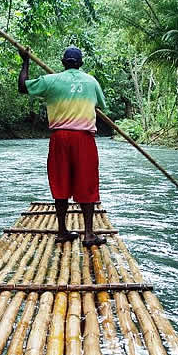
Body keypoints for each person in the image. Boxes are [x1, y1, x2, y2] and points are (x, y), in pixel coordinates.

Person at [18, 46, 107, 247]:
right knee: (87, 184)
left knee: (60, 183)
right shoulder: (91, 82)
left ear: (63, 62)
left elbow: (23, 86)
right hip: (84, 139)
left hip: (59, 139)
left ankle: (62, 231)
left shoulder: (51, 81)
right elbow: (101, 105)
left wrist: (25, 61)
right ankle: (89, 234)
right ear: (81, 63)